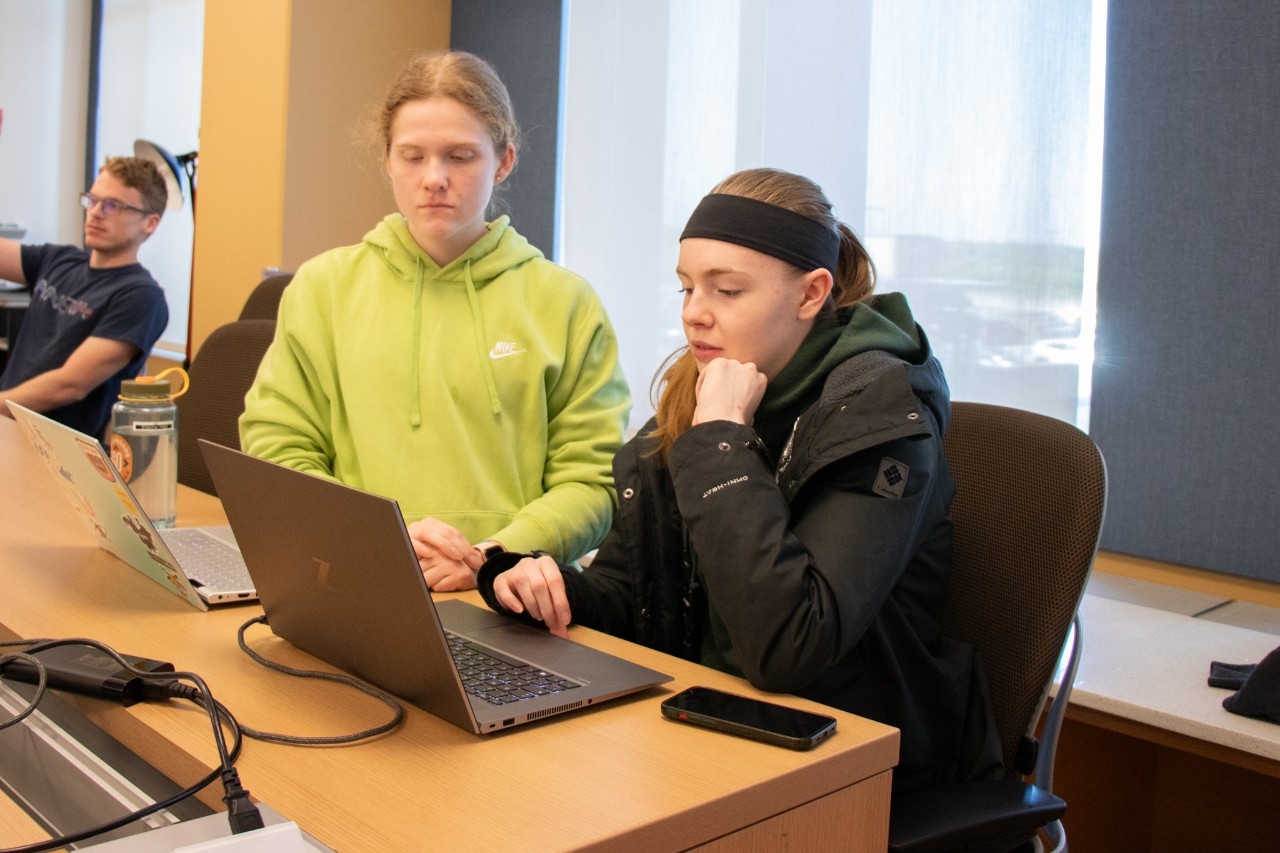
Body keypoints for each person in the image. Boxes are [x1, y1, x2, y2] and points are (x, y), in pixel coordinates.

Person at [478, 167, 1003, 792]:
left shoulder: (880, 419)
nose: (694, 316)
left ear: (811, 295)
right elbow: (634, 594)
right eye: (686, 289)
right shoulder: (699, 391)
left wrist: (720, 442)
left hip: (849, 760)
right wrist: (543, 585)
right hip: (700, 726)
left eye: (726, 291)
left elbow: (788, 647)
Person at [240, 51, 631, 593]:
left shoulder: (566, 302)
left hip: (511, 595)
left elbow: (594, 481)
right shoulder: (323, 287)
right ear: (388, 161)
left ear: (504, 161)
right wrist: (382, 540)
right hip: (357, 578)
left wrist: (492, 557)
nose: (434, 178)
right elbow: (278, 447)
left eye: (460, 156)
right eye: (413, 156)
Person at [1, 156, 170, 438]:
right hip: (9, 426)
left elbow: (69, 385)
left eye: (113, 205)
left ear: (150, 222)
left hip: (56, 452)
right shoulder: (58, 260)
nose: (96, 213)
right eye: (92, 200)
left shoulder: (141, 297)